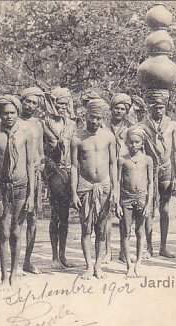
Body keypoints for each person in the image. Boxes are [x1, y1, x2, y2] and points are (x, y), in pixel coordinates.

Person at [0, 95, 35, 290]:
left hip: (21, 188)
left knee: (16, 231)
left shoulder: (26, 134)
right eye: (5, 113)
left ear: (18, 113)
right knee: (4, 232)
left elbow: (30, 164)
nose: (9, 117)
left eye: (12, 113)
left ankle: (15, 274)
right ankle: (4, 276)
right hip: (1, 188)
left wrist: (32, 194)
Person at [71, 96, 117, 279]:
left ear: (103, 118)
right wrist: (74, 192)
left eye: (99, 118)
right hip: (85, 186)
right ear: (86, 116)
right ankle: (88, 265)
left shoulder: (108, 137)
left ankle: (98, 264)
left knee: (101, 227)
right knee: (86, 227)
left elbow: (113, 164)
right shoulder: (77, 139)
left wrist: (115, 189)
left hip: (104, 185)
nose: (95, 121)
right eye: (92, 117)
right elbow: (74, 166)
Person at [140, 89, 176, 258]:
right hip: (149, 171)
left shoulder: (172, 125)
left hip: (167, 170)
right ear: (149, 108)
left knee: (164, 209)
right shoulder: (143, 126)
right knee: (148, 209)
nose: (158, 110)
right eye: (155, 107)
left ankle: (163, 246)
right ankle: (148, 247)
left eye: (161, 107)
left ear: (166, 108)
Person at [42, 87, 78, 269]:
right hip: (53, 172)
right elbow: (37, 150)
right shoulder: (43, 124)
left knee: (65, 215)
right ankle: (54, 256)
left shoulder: (71, 125)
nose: (62, 107)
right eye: (59, 103)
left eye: (65, 103)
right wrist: (48, 160)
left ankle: (63, 255)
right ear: (52, 104)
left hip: (69, 171)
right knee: (55, 215)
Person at [116, 126, 154, 277]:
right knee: (126, 232)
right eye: (130, 142)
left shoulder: (147, 160)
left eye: (137, 142)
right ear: (126, 143)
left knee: (140, 231)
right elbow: (117, 182)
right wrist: (117, 203)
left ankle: (138, 262)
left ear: (142, 143)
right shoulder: (122, 160)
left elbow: (151, 183)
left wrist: (149, 203)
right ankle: (128, 264)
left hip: (142, 198)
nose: (133, 145)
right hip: (126, 198)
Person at [18, 86, 45, 274]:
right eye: (27, 101)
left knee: (33, 219)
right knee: (18, 219)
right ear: (22, 101)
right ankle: (16, 262)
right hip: (19, 174)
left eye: (34, 103)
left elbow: (41, 152)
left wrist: (41, 165)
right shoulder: (14, 121)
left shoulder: (38, 124)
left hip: (35, 175)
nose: (30, 105)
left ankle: (28, 260)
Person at [108, 93, 134, 262]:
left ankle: (124, 251)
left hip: (125, 172)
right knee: (106, 212)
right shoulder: (103, 126)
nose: (119, 111)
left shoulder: (132, 127)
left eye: (122, 109)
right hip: (107, 170)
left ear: (127, 111)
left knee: (126, 213)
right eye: (116, 108)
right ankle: (107, 249)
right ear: (111, 109)